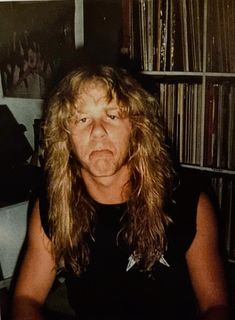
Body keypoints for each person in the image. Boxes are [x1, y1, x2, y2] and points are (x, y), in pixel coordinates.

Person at [11, 65, 230, 320]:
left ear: (136, 128)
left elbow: (215, 306)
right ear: (66, 137)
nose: (98, 131)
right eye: (82, 119)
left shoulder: (189, 200)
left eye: (112, 116)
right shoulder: (54, 203)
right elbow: (26, 298)